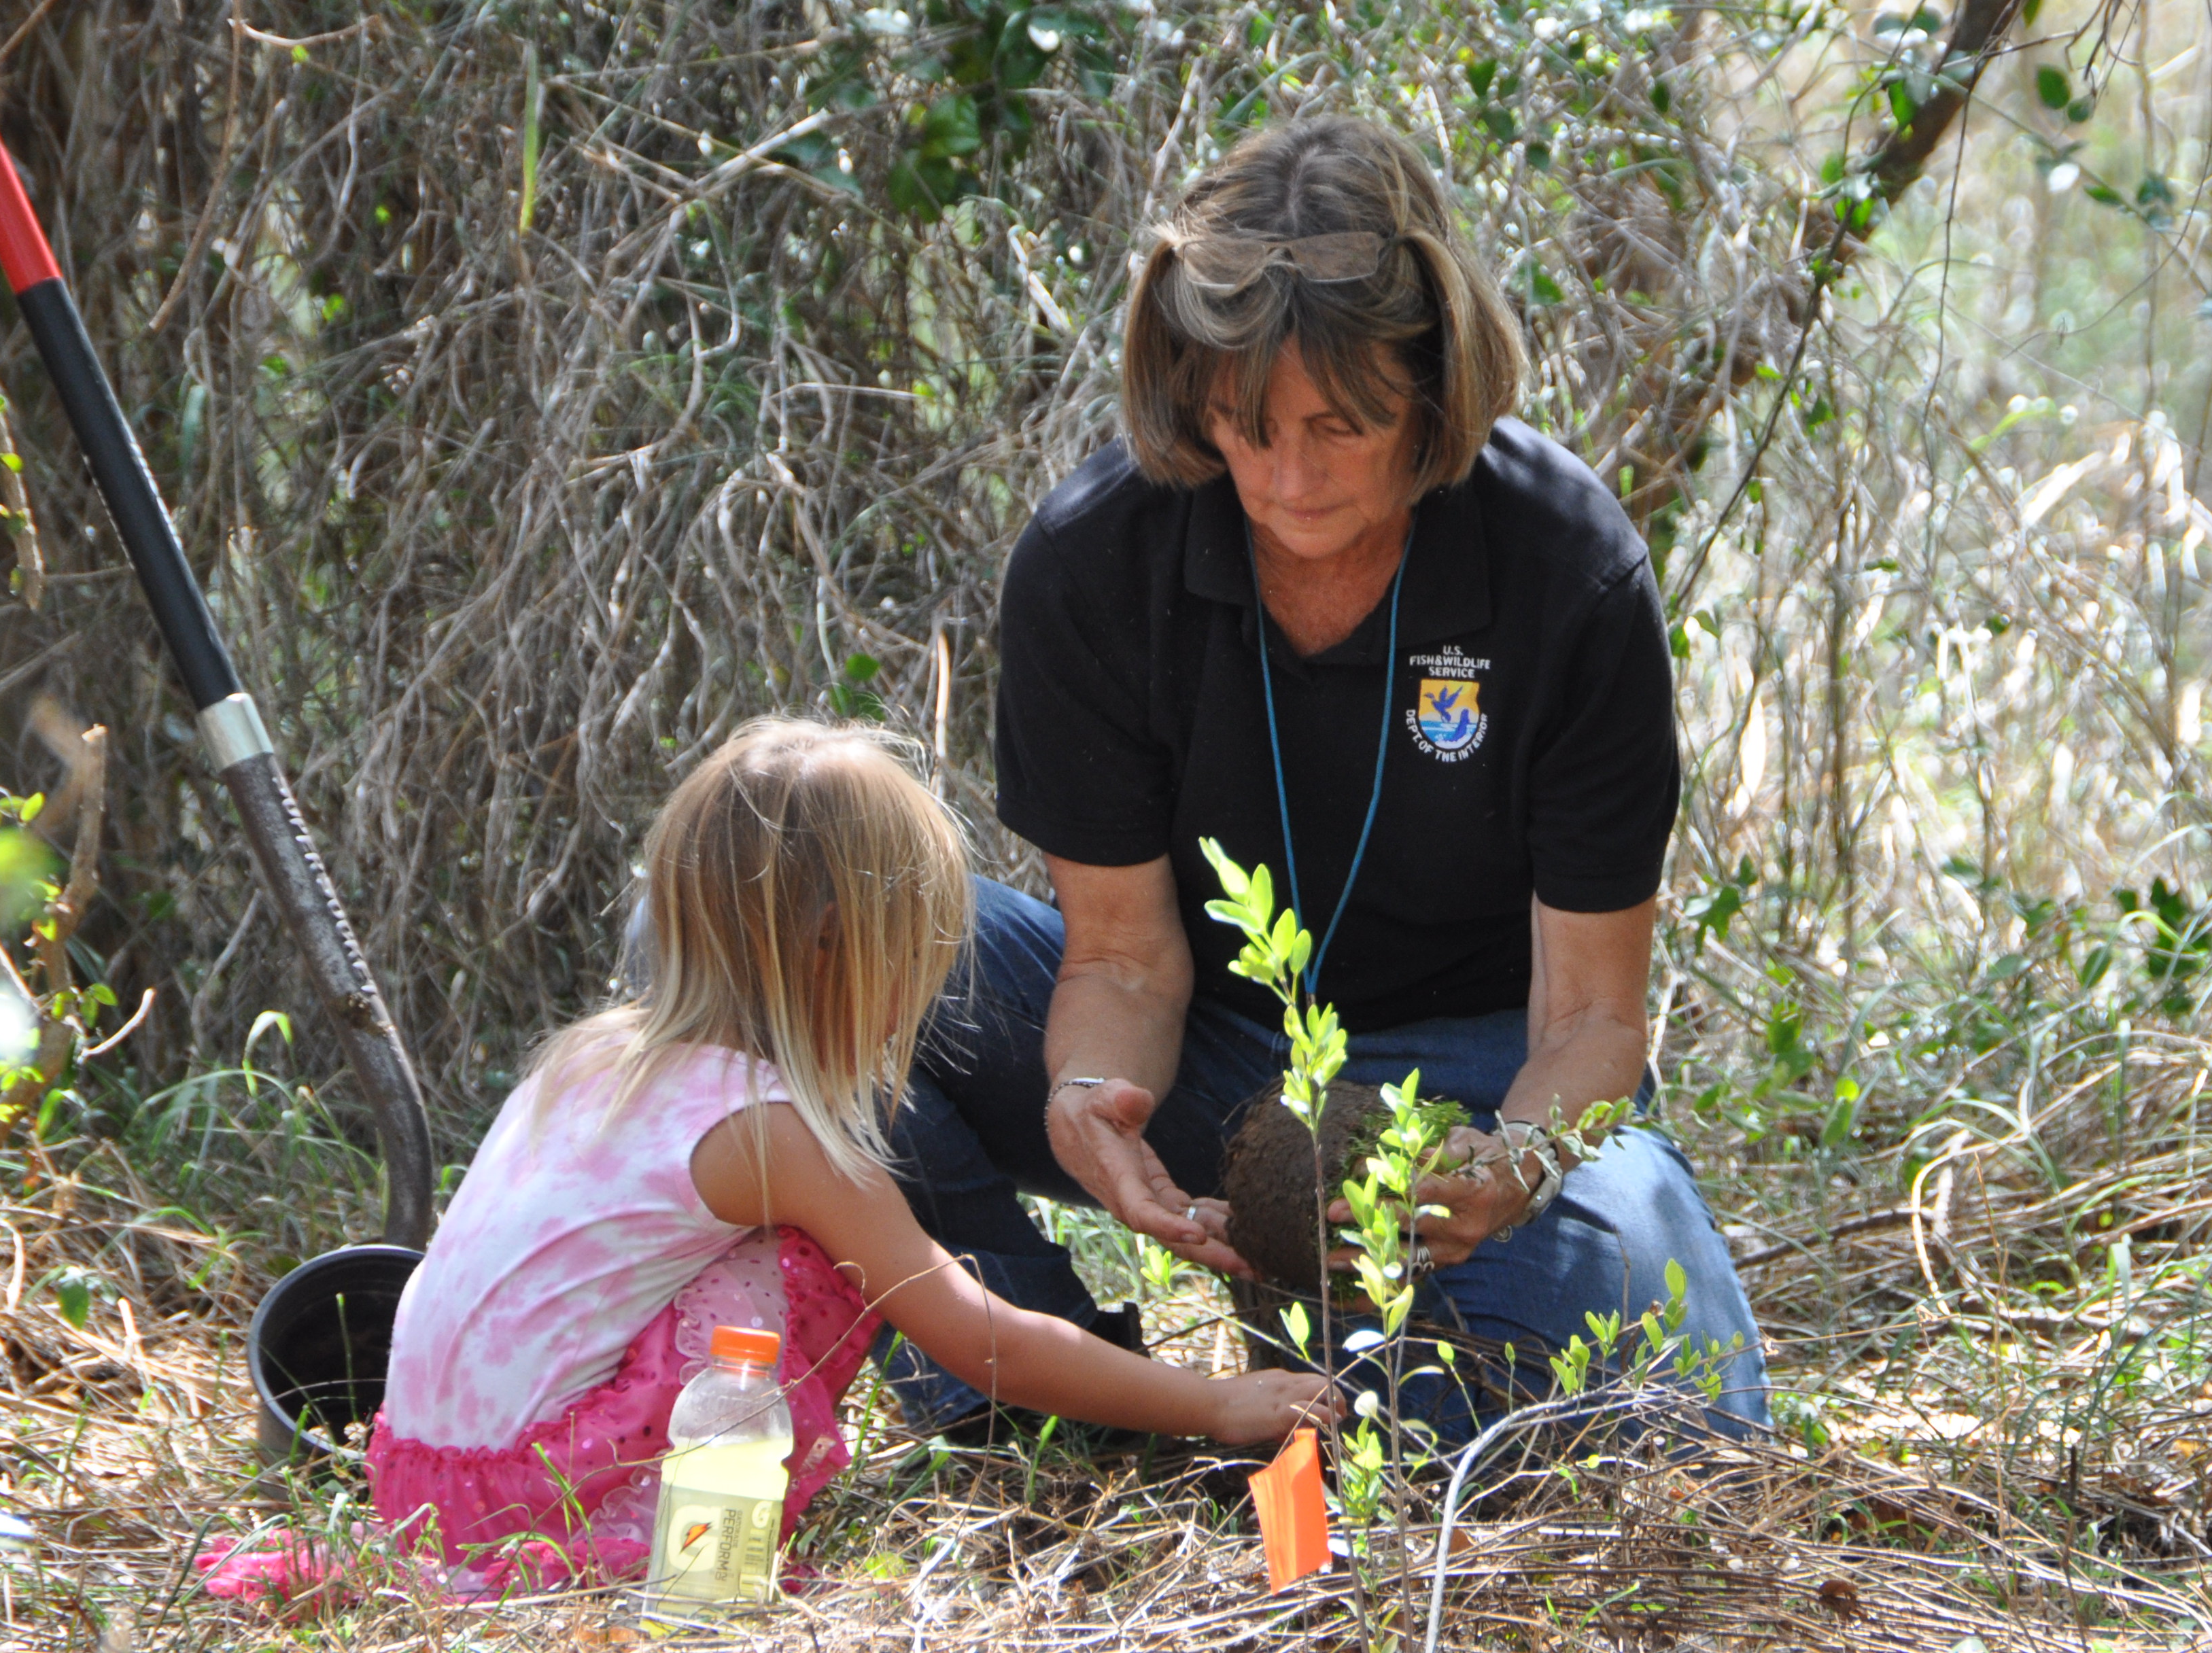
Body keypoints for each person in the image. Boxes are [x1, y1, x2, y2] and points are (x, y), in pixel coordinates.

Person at [886, 115, 1770, 1444]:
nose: (1287, 478)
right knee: (797, 938)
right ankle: (1039, 1394)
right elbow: (1124, 962)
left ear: (1430, 385)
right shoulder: (1091, 563)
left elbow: (1592, 1016)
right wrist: (1085, 1099)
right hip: (1210, 1051)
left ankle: (1367, 1381)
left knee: (1686, 1425)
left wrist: (1514, 1164)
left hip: (1472, 1086)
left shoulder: (1563, 570)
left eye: (1339, 426)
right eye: (1243, 428)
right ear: (1187, 392)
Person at [371, 719, 1336, 1590]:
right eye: (921, 952)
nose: (925, 987)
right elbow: (980, 1338)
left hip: (422, 1488)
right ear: (837, 948)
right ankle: (697, 1562)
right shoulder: (773, 1133)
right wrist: (1211, 1405)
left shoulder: (589, 1055)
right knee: (796, 1272)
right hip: (549, 1515)